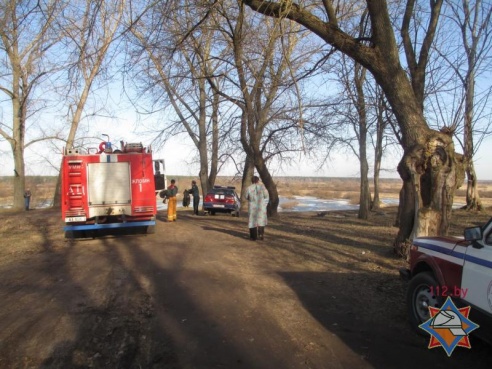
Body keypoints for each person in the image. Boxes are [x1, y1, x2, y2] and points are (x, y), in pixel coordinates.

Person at [246, 176, 269, 241]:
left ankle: (253, 237)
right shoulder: (262, 187)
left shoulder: (249, 188)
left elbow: (246, 196)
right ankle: (261, 235)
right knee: (261, 221)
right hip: (261, 207)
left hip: (252, 207)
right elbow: (266, 196)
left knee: (252, 221)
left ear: (252, 181)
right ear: (258, 180)